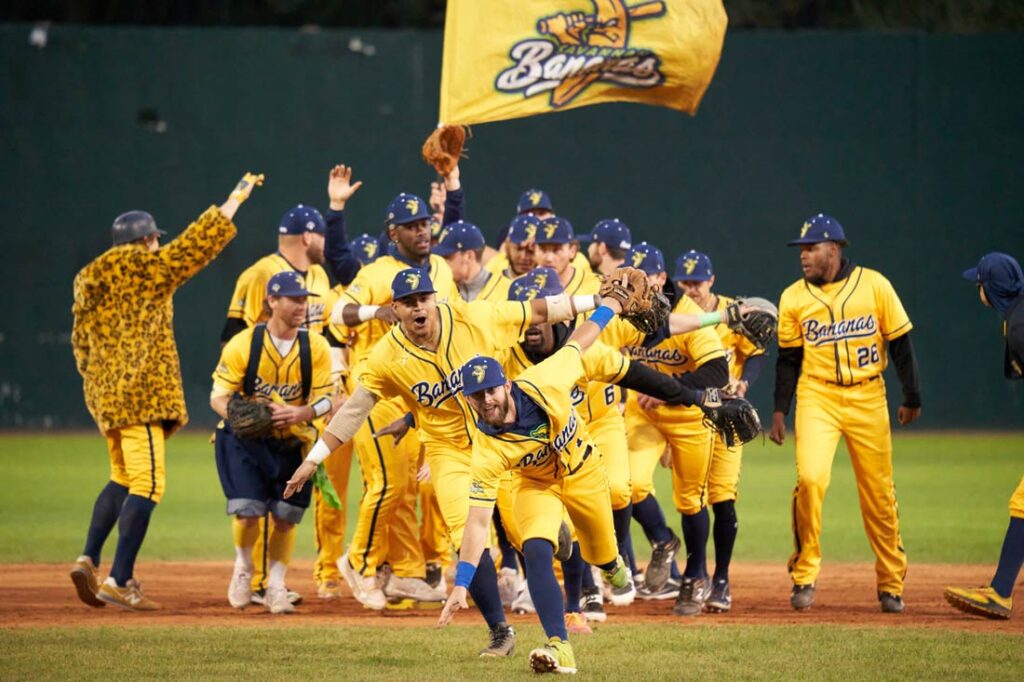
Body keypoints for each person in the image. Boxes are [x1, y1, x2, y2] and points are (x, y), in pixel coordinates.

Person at [287, 267, 602, 657]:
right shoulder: (387, 355)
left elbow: (536, 310)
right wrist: (315, 458)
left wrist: (595, 301)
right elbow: (355, 409)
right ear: (395, 310)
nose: (418, 307)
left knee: (528, 538)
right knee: (466, 535)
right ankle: (500, 632)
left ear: (434, 298)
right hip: (448, 451)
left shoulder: (472, 317)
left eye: (423, 298)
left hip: (501, 440)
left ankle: (556, 543)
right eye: (407, 302)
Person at [437, 281, 732, 674]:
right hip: (535, 485)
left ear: (504, 384)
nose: (486, 400)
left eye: (490, 390)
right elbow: (476, 522)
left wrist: (609, 302)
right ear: (468, 400)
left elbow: (584, 337)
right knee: (536, 549)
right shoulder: (487, 449)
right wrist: (462, 581)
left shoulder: (546, 378)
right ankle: (559, 646)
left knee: (604, 556)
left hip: (584, 474)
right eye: (476, 396)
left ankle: (611, 567)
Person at [69, 172, 261, 611]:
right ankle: (119, 580)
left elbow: (80, 344)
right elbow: (198, 245)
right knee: (150, 483)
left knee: (123, 477)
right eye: (156, 240)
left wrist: (98, 384)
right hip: (141, 395)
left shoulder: (88, 280)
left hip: (107, 398)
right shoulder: (147, 269)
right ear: (149, 240)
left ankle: (88, 558)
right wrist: (233, 199)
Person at [218, 164, 360, 607]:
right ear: (307, 237)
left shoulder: (319, 280)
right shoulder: (261, 274)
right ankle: (255, 579)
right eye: (323, 236)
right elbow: (233, 340)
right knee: (252, 502)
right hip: (259, 400)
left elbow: (328, 338)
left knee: (284, 507)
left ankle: (269, 581)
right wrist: (239, 407)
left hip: (304, 404)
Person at [769, 213, 921, 614]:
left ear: (834, 248)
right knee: (810, 480)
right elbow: (788, 359)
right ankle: (804, 573)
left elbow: (901, 344)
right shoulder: (793, 297)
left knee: (878, 494)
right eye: (801, 249)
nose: (803, 256)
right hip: (817, 395)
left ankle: (890, 584)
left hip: (869, 396)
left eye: (811, 248)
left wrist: (912, 397)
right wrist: (780, 411)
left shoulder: (874, 285)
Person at [605, 241, 729, 617]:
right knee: (629, 484)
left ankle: (695, 575)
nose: (640, 286)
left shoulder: (685, 312)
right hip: (644, 414)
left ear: (662, 278)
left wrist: (670, 392)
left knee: (690, 500)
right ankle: (663, 540)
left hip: (688, 413)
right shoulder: (627, 312)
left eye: (647, 279)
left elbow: (717, 371)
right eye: (634, 279)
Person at [211, 271, 334, 614]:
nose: (301, 306)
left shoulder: (316, 347)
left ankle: (277, 584)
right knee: (248, 511)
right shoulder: (245, 344)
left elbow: (330, 400)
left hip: (294, 441)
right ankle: (243, 570)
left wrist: (301, 413)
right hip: (245, 441)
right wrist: (242, 416)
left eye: (303, 299)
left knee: (285, 515)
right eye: (293, 299)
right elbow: (218, 396)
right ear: (272, 302)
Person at [675, 249, 767, 613]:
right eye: (685, 282)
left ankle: (722, 578)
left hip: (728, 413)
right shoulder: (679, 314)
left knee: (723, 497)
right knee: (691, 498)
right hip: (692, 414)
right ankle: (695, 573)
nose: (691, 288)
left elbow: (756, 351)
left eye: (697, 282)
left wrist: (746, 380)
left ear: (711, 280)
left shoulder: (731, 311)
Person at [944, 252, 1024, 620]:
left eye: (979, 283)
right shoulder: (1017, 318)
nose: (977, 288)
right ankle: (1000, 590)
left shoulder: (1020, 325)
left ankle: (1000, 593)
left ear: (989, 289)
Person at [434, 220, 512, 302]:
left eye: (448, 257)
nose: (442, 262)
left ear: (469, 256)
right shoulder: (443, 289)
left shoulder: (507, 291)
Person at [534, 216, 603, 295]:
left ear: (572, 251)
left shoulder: (598, 286)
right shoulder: (520, 286)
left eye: (556, 250)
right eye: (543, 250)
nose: (549, 258)